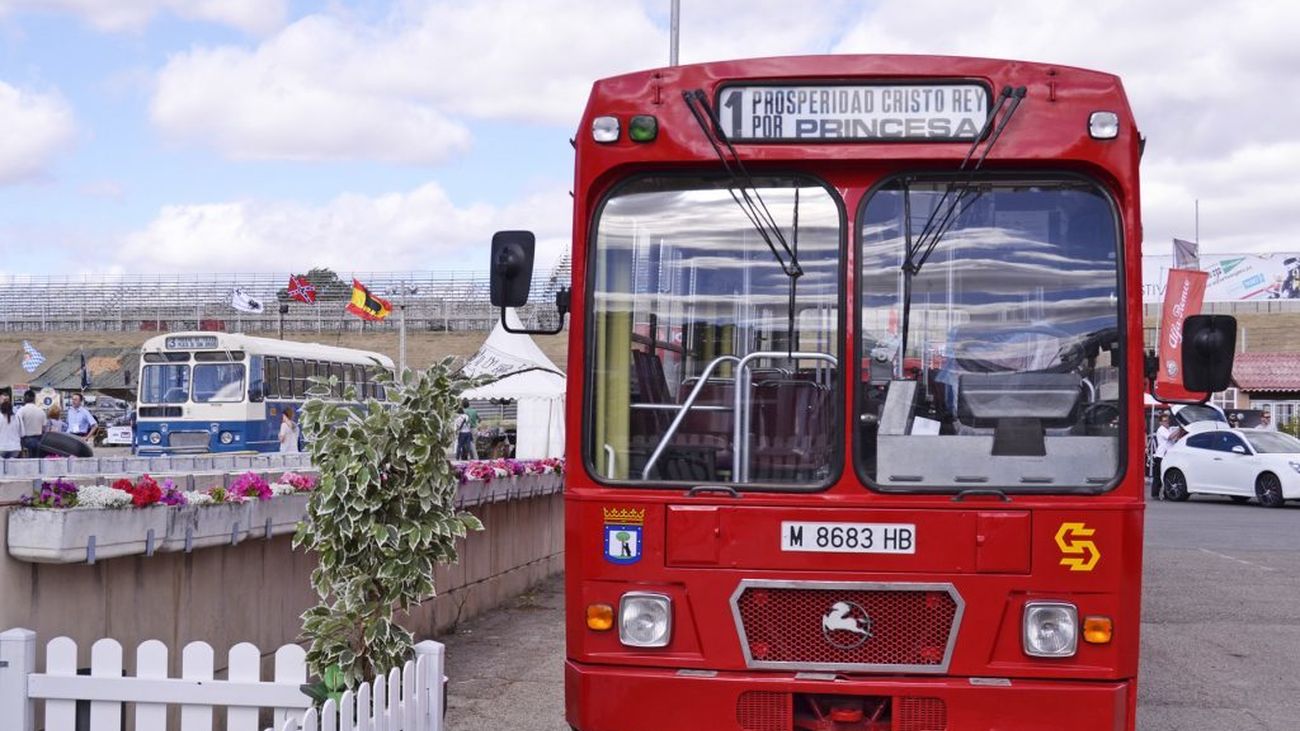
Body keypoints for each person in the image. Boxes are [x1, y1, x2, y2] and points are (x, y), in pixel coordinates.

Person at [17, 389, 46, 457]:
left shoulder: (21, 411)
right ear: (34, 399)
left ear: (24, 398)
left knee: (29, 462)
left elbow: (17, 426)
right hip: (39, 439)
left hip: (26, 440)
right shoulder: (41, 411)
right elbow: (44, 427)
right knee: (38, 461)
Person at [1152, 413, 1172, 499]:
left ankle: (1166, 493)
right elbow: (1170, 437)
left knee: (1167, 475)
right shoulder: (1161, 429)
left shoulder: (1169, 429)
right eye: (1164, 421)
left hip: (1167, 455)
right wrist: (1179, 430)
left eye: (1167, 420)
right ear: (1160, 422)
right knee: (1158, 476)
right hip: (1160, 455)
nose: (1166, 422)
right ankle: (1155, 494)